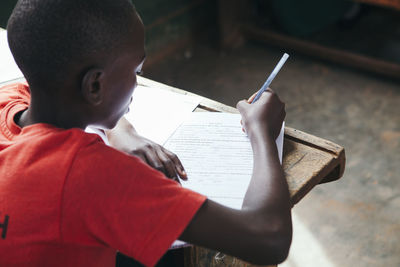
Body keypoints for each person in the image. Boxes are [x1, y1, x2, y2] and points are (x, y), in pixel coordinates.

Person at [0, 0, 292, 266]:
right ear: (94, 87)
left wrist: (120, 131)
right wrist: (261, 134)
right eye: (137, 72)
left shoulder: (9, 102)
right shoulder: (92, 176)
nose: (138, 83)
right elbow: (269, 239)